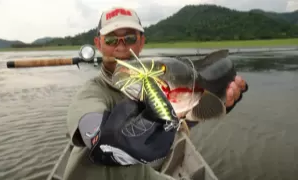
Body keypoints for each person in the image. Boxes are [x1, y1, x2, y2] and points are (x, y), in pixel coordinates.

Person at [63, 7, 248, 180]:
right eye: (111, 40)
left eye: (129, 39)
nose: (120, 47)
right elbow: (97, 135)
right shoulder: (92, 93)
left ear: (141, 42)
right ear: (98, 44)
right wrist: (101, 135)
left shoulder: (154, 84)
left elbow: (171, 124)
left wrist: (219, 104)